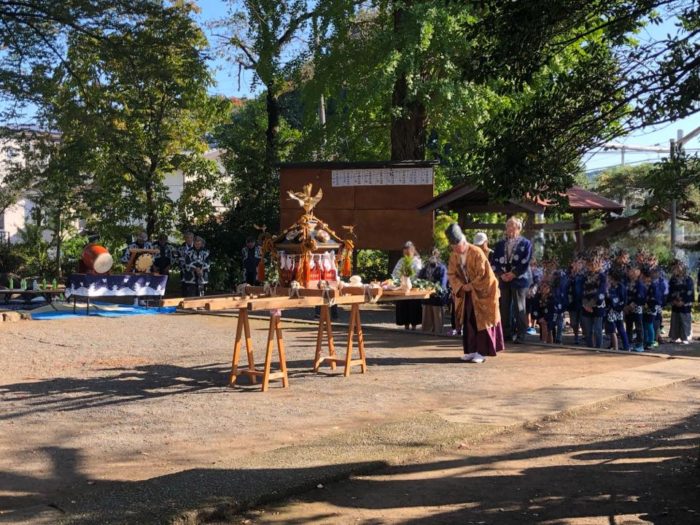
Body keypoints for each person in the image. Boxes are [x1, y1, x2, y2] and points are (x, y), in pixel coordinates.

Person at [446, 223, 505, 363]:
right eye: (453, 247)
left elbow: (484, 275)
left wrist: (471, 285)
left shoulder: (476, 252)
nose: (455, 249)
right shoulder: (454, 255)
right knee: (469, 320)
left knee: (482, 321)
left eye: (457, 246)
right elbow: (451, 274)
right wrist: (461, 286)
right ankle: (470, 350)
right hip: (466, 293)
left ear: (463, 242)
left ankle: (481, 352)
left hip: (484, 292)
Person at [491, 217, 532, 343]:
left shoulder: (526, 243)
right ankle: (506, 334)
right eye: (508, 226)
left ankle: (521, 334)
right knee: (504, 307)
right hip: (504, 279)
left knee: (519, 307)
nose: (510, 229)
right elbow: (494, 261)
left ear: (519, 229)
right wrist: (501, 274)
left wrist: (514, 274)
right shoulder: (500, 244)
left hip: (519, 279)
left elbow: (526, 261)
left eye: (512, 227)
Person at [392, 241, 423, 330]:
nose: (406, 255)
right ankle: (406, 325)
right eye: (405, 253)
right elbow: (395, 272)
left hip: (414, 287)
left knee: (413, 306)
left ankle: (414, 325)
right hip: (402, 286)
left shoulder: (417, 261)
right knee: (403, 306)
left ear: (412, 251)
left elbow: (419, 273)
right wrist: (399, 279)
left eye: (408, 253)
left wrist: (412, 281)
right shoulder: (401, 261)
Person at [417, 249, 449, 335]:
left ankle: (438, 334)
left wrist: (437, 290)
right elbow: (419, 279)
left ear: (438, 256)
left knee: (437, 318)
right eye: (431, 255)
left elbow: (443, 283)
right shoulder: (424, 268)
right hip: (426, 297)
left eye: (434, 254)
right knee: (426, 318)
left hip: (437, 297)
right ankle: (426, 334)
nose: (432, 256)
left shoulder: (442, 268)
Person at [581, 254, 606, 349]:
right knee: (588, 330)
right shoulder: (585, 276)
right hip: (586, 305)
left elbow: (601, 291)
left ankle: (599, 348)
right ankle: (589, 348)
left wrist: (591, 304)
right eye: (590, 264)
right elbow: (582, 290)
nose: (592, 266)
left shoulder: (602, 276)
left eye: (594, 264)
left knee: (598, 329)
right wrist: (585, 304)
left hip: (597, 305)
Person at [668, 259, 694, 344]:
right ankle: (674, 336)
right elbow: (670, 290)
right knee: (675, 320)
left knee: (685, 320)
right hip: (675, 302)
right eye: (676, 267)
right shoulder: (673, 279)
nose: (677, 268)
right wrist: (673, 300)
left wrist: (683, 301)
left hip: (685, 303)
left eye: (679, 266)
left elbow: (690, 291)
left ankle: (685, 337)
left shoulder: (688, 279)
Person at [605, 270, 630, 351]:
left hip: (615, 310)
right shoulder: (612, 286)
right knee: (617, 328)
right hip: (615, 309)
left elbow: (622, 300)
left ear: (613, 278)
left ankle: (620, 347)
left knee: (616, 329)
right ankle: (616, 346)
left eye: (609, 278)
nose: (608, 279)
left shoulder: (620, 287)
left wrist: (609, 296)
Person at [625, 264, 646, 352]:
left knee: (638, 327)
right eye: (630, 271)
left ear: (638, 272)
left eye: (633, 271)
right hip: (627, 308)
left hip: (637, 308)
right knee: (628, 326)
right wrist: (625, 306)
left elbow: (640, 297)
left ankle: (640, 344)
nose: (631, 273)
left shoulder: (639, 284)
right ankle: (628, 343)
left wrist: (631, 305)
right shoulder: (626, 283)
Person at [567, 256, 585, 345]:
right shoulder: (568, 275)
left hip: (581, 302)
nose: (576, 265)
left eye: (578, 264)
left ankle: (586, 336)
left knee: (583, 321)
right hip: (572, 302)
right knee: (574, 322)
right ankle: (576, 336)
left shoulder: (584, 275)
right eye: (575, 263)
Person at [178, 231, 195, 296]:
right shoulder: (181, 248)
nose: (189, 239)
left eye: (191, 237)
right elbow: (179, 259)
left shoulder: (197, 246)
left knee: (194, 289)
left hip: (195, 271)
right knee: (184, 288)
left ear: (193, 238)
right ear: (185, 239)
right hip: (184, 271)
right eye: (187, 238)